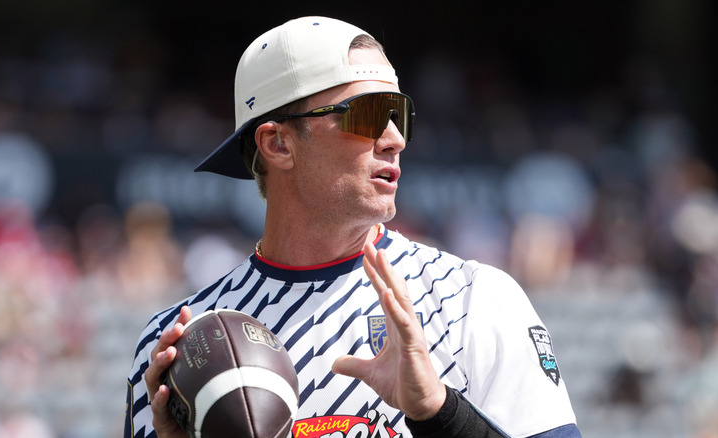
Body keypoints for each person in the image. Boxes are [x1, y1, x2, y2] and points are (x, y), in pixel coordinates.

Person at [125, 16, 581, 438]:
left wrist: (438, 411)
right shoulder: (185, 344)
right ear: (278, 143)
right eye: (366, 114)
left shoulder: (472, 300)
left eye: (398, 114)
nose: (395, 138)